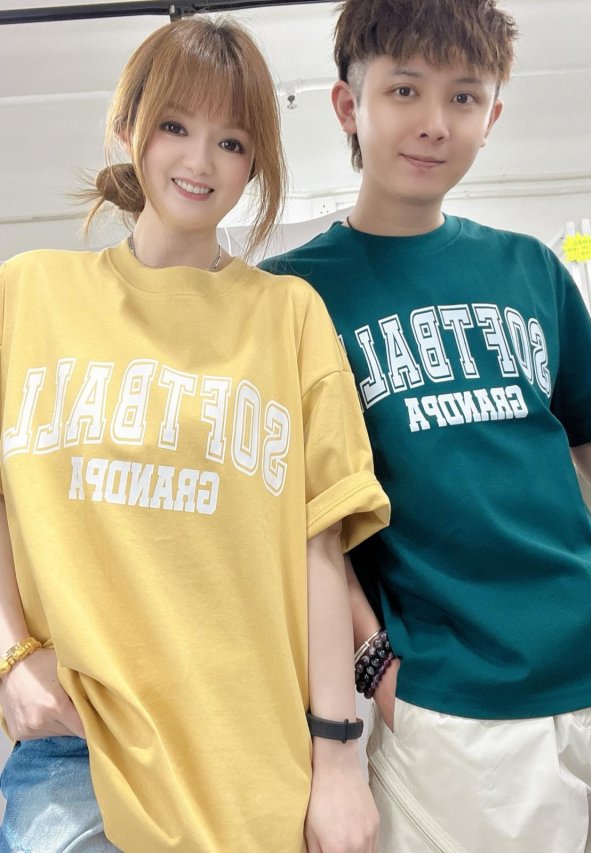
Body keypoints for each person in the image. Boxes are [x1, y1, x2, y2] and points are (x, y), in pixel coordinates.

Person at [0, 16, 390, 853]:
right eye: (174, 125)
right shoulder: (27, 295)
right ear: (127, 126)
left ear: (256, 164)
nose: (200, 160)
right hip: (80, 748)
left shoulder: (288, 316)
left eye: (232, 141)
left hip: (251, 754)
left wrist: (339, 760)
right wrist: (11, 655)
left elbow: (321, 547)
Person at [261, 1, 591, 850]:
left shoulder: (531, 268)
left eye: (464, 97)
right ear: (348, 105)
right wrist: (377, 668)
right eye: (405, 90)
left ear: (492, 115)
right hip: (460, 711)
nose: (435, 122)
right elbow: (301, 516)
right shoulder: (289, 298)